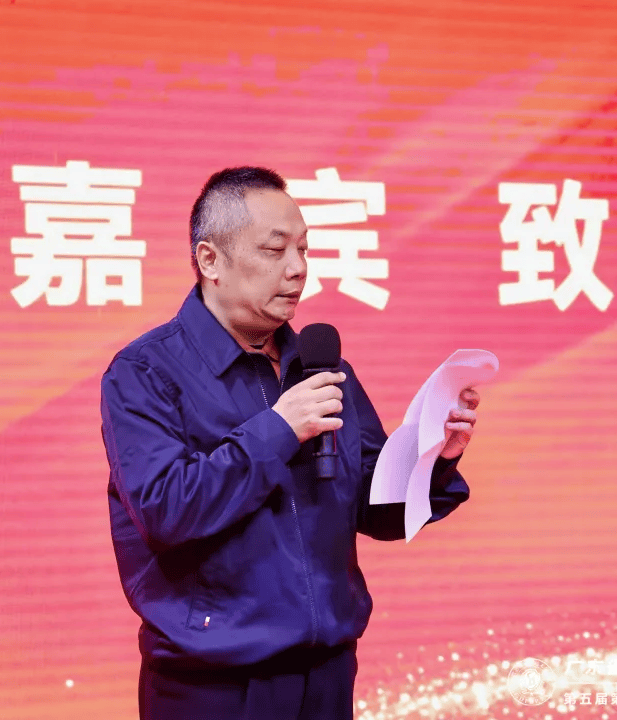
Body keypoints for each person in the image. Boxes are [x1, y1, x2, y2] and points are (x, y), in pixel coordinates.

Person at [100, 166, 480, 720]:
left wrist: (433, 456)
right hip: (212, 686)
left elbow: (376, 510)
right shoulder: (145, 372)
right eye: (274, 250)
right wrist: (279, 430)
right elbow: (167, 509)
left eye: (303, 249)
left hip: (327, 675)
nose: (298, 268)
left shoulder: (319, 367)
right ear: (210, 260)